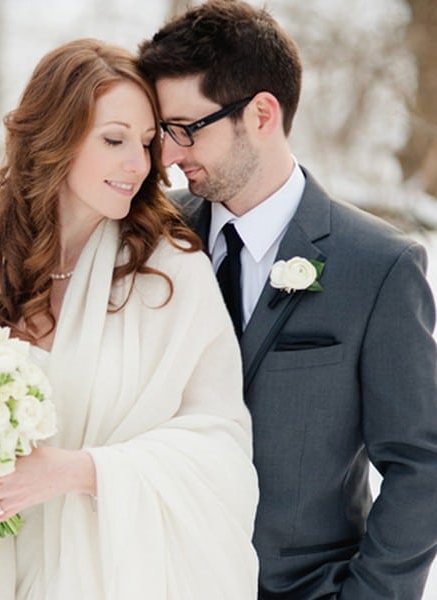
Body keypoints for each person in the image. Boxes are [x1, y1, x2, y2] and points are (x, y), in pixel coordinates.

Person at [0, 38, 258, 599]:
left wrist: (79, 471)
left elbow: (221, 446)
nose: (140, 164)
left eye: (148, 143)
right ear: (57, 138)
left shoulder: (170, 276)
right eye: (114, 140)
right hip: (9, 576)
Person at [137, 2, 437, 598]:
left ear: (262, 114)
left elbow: (422, 465)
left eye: (187, 129)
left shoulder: (379, 266)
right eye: (162, 133)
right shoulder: (148, 240)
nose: (169, 155)